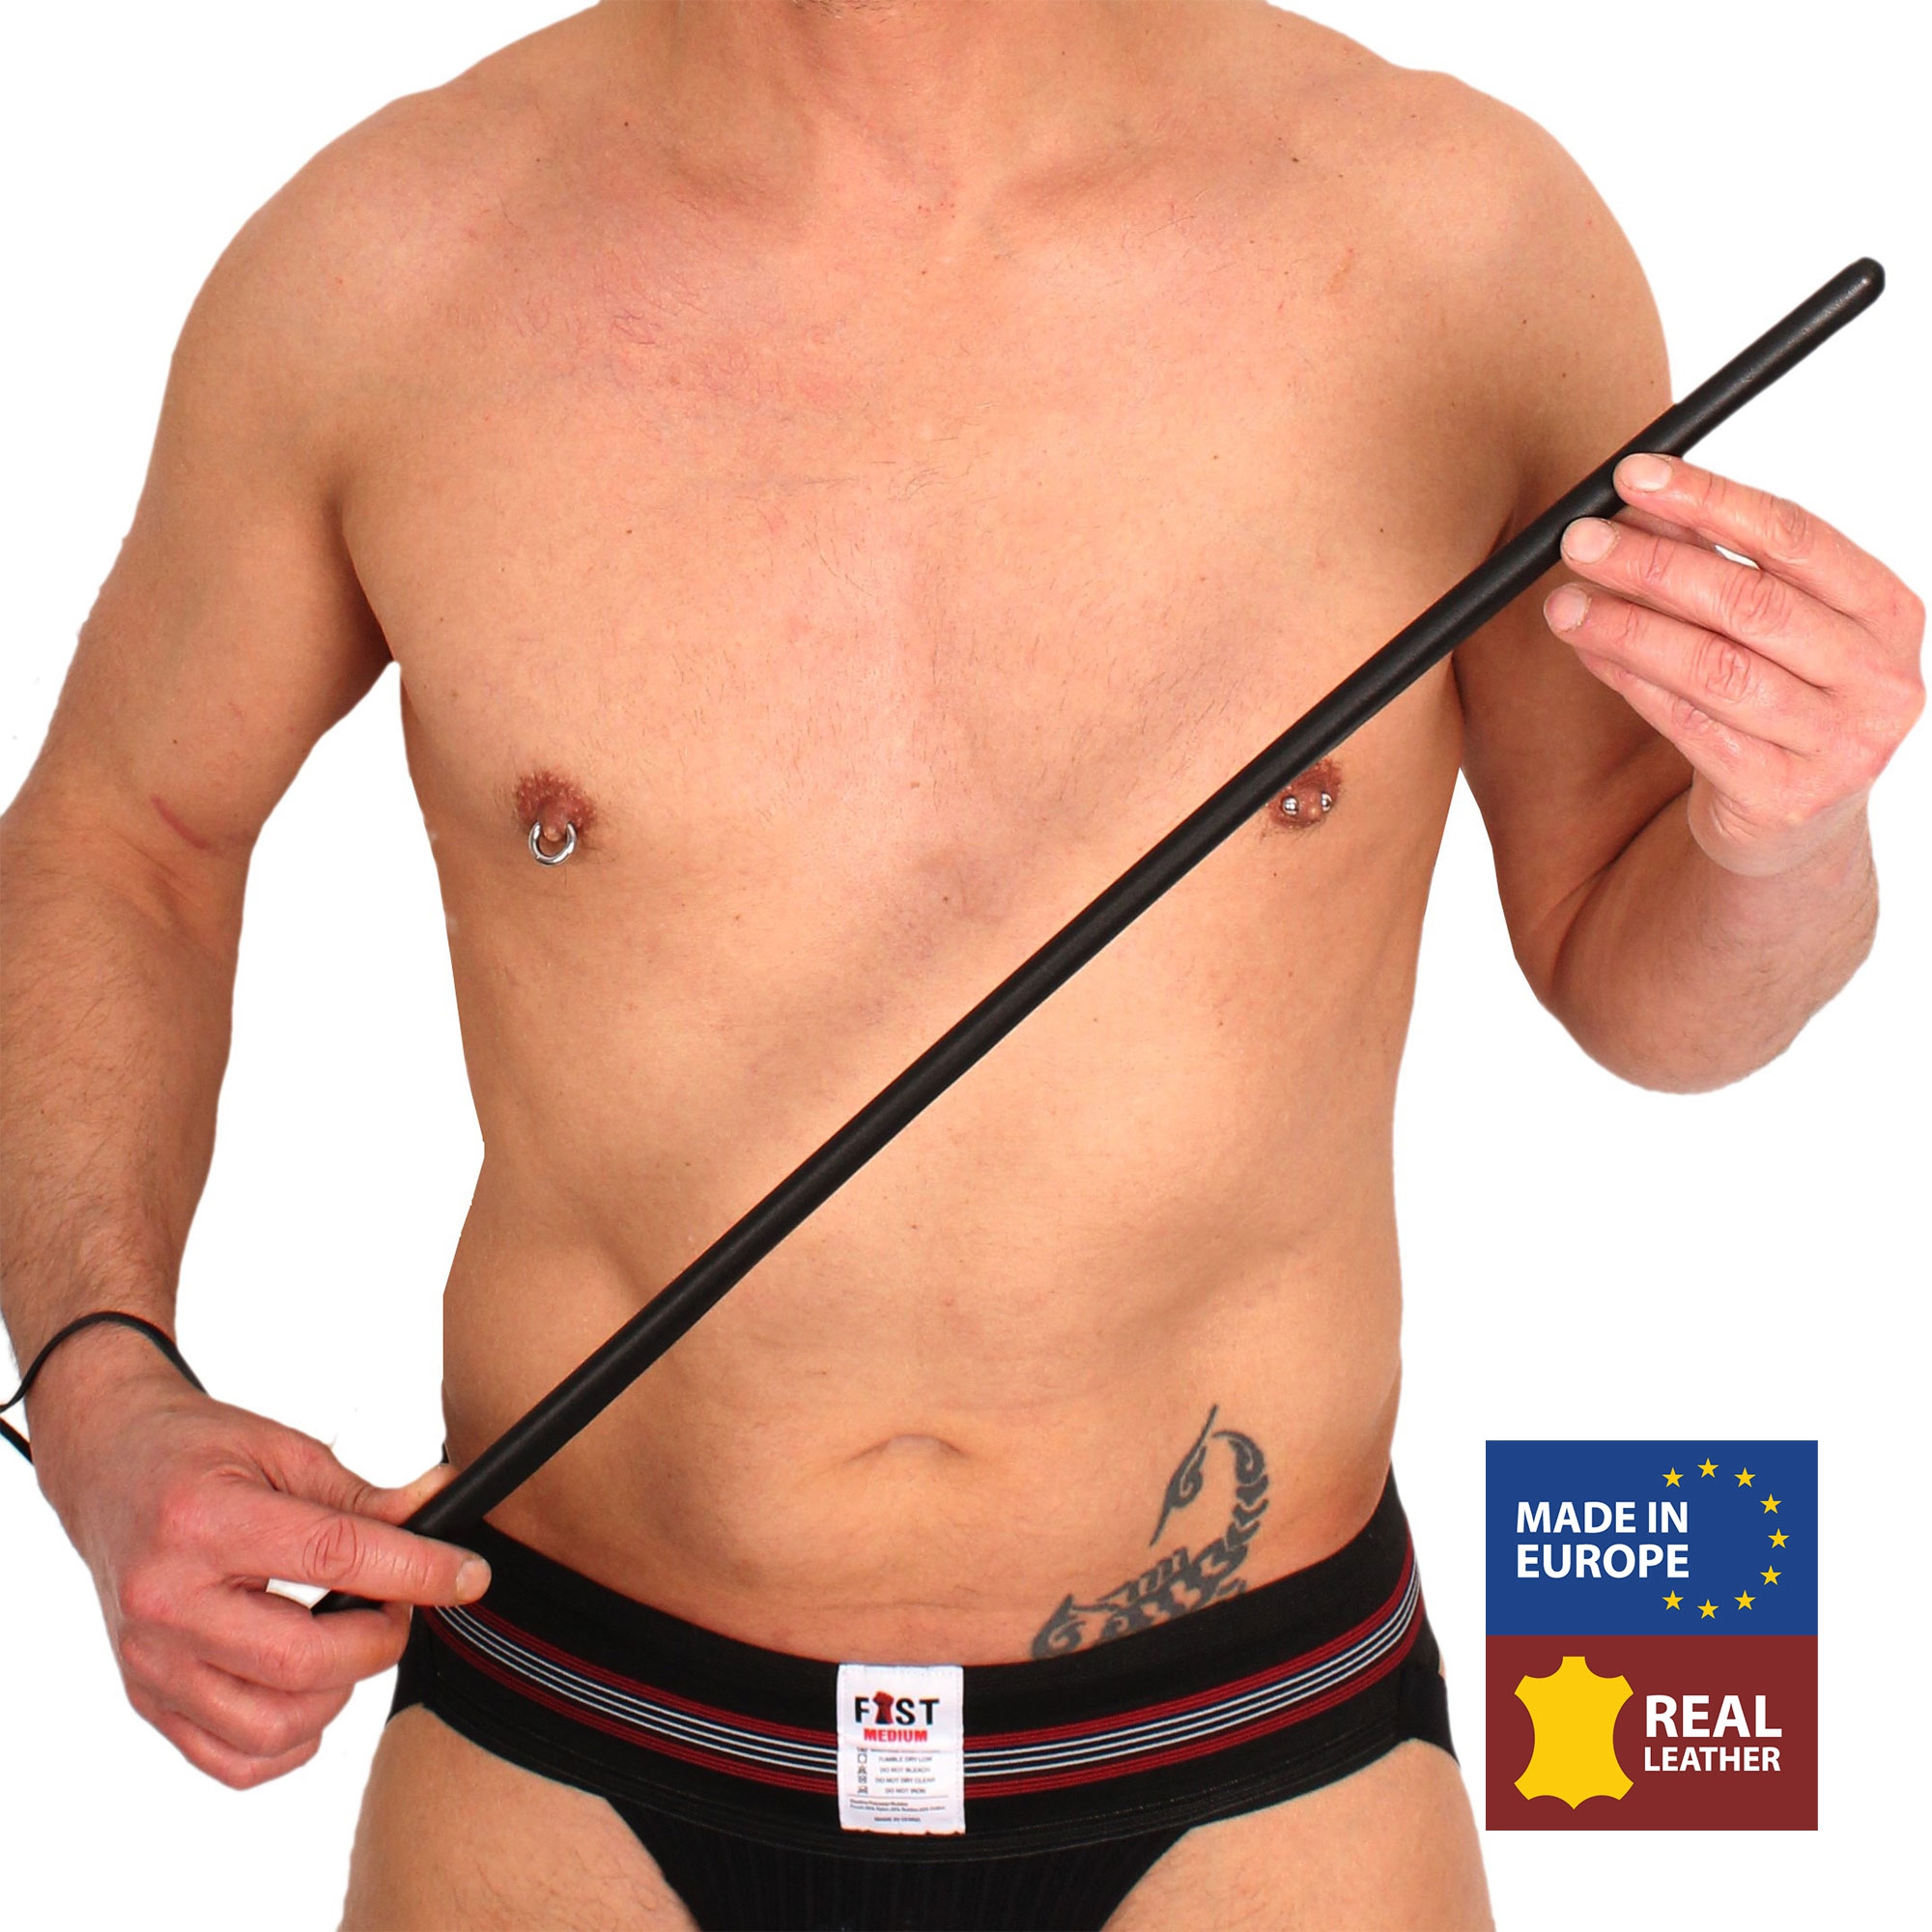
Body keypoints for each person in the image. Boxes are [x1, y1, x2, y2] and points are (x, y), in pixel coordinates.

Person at [0, 3, 1920, 1926]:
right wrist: (91, 1381)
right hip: (569, 1746)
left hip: (1251, 1765)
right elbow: (120, 838)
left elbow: (1640, 978)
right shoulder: (385, 260)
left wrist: (1786, 836)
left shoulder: (1461, 238)